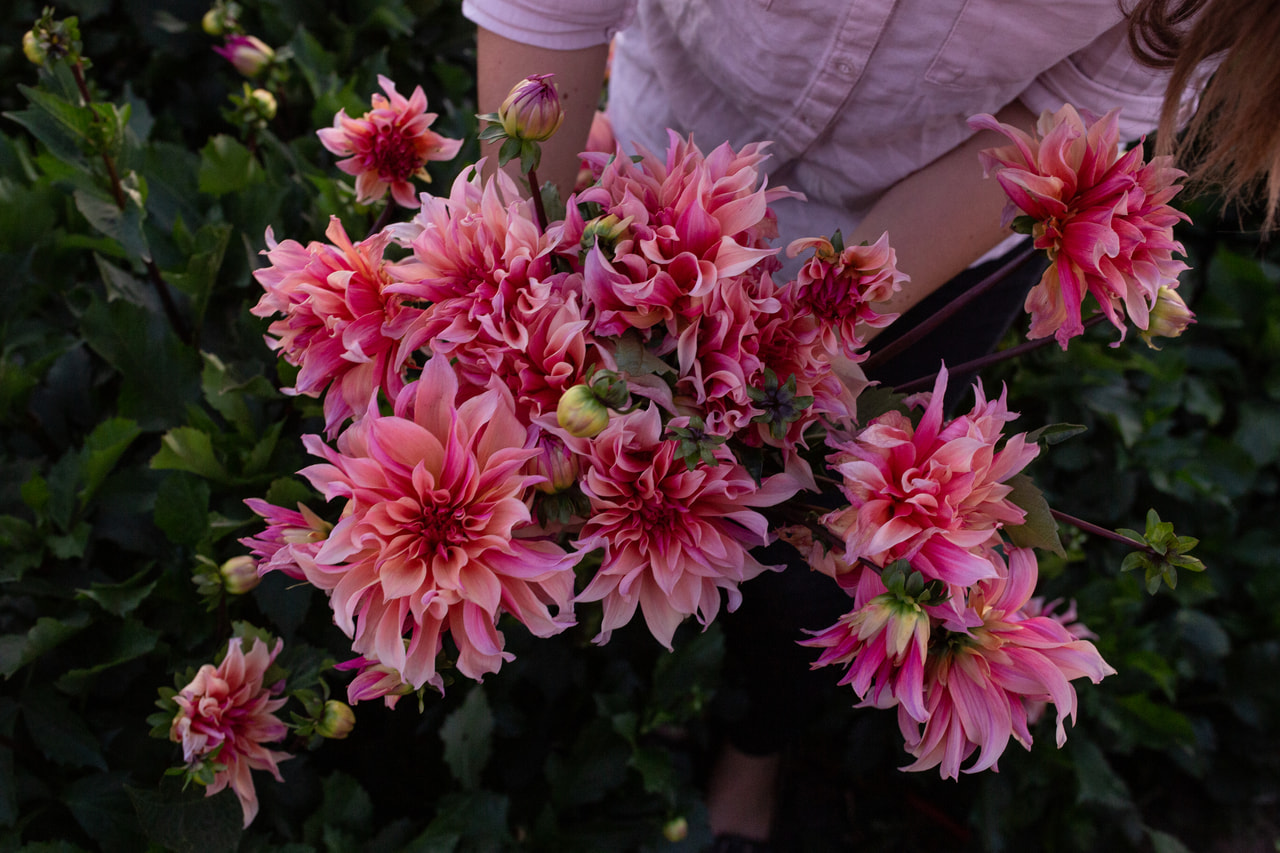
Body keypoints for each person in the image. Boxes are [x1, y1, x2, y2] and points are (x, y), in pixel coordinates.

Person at [462, 1, 1279, 848]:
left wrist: (785, 345)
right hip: (665, 159)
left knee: (821, 563)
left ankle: (754, 747)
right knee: (616, 496)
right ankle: (657, 688)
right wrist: (523, 286)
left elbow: (1054, 121)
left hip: (935, 246)